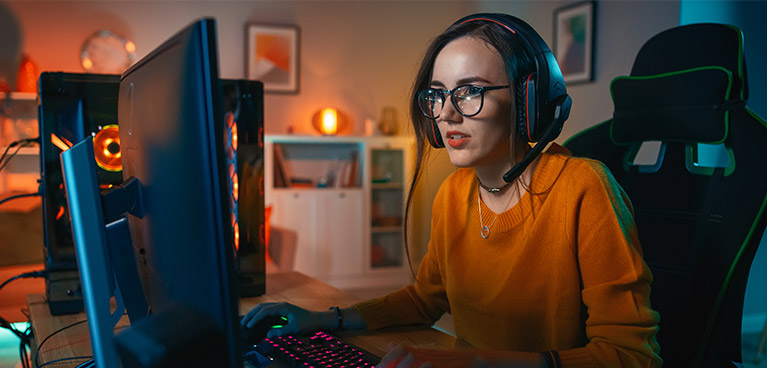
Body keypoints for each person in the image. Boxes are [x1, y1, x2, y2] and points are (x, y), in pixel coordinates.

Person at [242, 13, 661, 368]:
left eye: (470, 91)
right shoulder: (454, 193)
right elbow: (425, 299)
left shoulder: (583, 189)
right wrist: (322, 319)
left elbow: (631, 355)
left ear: (528, 102)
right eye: (438, 95)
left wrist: (473, 362)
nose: (445, 113)